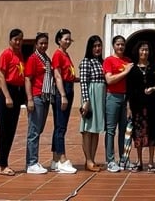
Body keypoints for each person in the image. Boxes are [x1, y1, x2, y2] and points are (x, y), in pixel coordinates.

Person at [125, 40, 155, 172]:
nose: (144, 52)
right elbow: (129, 89)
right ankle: (139, 161)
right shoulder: (133, 69)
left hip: (151, 106)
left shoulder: (154, 67)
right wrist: (128, 107)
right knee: (138, 134)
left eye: (146, 50)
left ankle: (151, 162)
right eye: (142, 49)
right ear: (138, 51)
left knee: (152, 133)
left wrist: (153, 89)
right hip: (137, 107)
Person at [0, 28, 25, 176]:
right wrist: (7, 96)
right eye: (15, 39)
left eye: (20, 39)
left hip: (17, 93)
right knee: (5, 131)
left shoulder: (20, 55)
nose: (18, 42)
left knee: (11, 131)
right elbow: (1, 76)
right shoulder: (6, 54)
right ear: (10, 40)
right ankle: (2, 164)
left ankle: (1, 163)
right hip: (7, 93)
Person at [103, 35, 133, 172]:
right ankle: (110, 160)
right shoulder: (109, 61)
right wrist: (125, 71)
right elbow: (109, 80)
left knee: (124, 130)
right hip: (112, 97)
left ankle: (124, 159)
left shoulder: (128, 61)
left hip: (125, 97)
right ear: (113, 45)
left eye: (122, 44)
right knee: (110, 130)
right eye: (118, 44)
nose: (120, 47)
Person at [24, 32, 53, 174]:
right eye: (41, 43)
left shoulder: (47, 59)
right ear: (36, 44)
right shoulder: (33, 59)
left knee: (38, 130)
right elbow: (28, 79)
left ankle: (34, 160)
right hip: (36, 97)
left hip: (46, 97)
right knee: (33, 131)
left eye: (45, 43)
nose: (43, 45)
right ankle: (31, 163)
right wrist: (29, 99)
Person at [50, 29, 78, 174]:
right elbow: (58, 76)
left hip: (69, 87)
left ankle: (55, 159)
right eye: (66, 39)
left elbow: (69, 75)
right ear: (59, 40)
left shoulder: (66, 55)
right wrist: (63, 95)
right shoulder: (58, 55)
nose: (68, 41)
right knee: (61, 126)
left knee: (60, 126)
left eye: (69, 39)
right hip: (63, 90)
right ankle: (62, 159)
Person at [78, 35, 106, 171]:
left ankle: (92, 160)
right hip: (91, 95)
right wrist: (86, 101)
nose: (97, 48)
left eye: (99, 45)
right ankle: (88, 160)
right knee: (87, 129)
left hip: (100, 97)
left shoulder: (102, 62)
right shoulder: (86, 62)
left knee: (95, 130)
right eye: (94, 46)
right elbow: (83, 82)